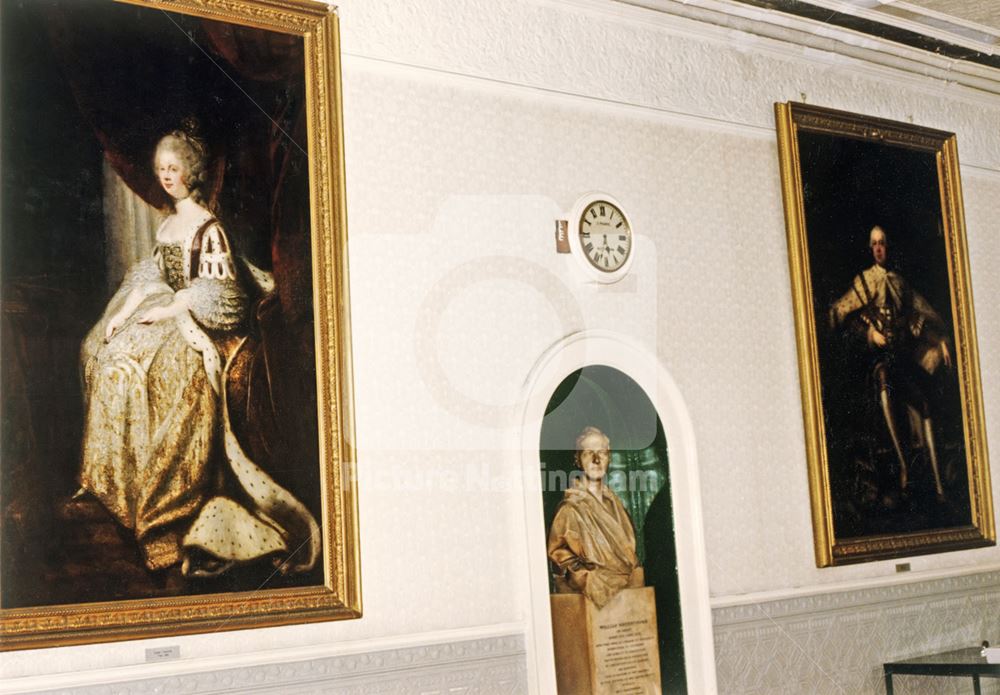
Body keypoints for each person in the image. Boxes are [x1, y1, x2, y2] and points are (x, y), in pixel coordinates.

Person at [77, 126, 319, 578]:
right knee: (106, 354)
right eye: (161, 170)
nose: (167, 177)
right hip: (165, 311)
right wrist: (123, 313)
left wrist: (171, 310)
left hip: (196, 322)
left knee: (156, 373)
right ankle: (117, 487)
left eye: (174, 169)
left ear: (192, 173)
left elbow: (222, 293)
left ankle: (163, 504)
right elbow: (149, 277)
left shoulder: (209, 227)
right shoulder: (168, 224)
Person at [829, 225, 952, 499]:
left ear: (888, 246)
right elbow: (841, 314)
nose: (879, 248)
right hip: (876, 362)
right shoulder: (863, 281)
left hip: (902, 359)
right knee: (885, 378)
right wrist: (870, 334)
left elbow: (919, 317)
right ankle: (904, 466)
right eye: (874, 244)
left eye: (883, 242)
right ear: (870, 248)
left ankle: (938, 482)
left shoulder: (900, 283)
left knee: (924, 404)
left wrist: (940, 340)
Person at [547, 426, 641, 609]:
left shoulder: (617, 507)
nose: (596, 460)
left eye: (602, 453)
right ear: (578, 460)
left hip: (629, 599)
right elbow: (558, 555)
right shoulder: (569, 510)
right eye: (589, 453)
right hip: (593, 596)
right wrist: (587, 578)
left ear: (609, 458)